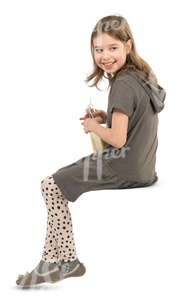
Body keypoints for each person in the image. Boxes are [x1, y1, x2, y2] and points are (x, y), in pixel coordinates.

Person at [16, 14, 166, 287]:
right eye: (99, 50)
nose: (105, 56)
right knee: (56, 181)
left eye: (113, 48)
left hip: (123, 165)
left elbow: (119, 140)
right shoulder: (143, 75)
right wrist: (105, 116)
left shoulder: (121, 83)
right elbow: (136, 119)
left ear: (127, 46)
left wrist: (92, 126)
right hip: (144, 166)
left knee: (50, 185)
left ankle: (68, 260)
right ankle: (49, 263)